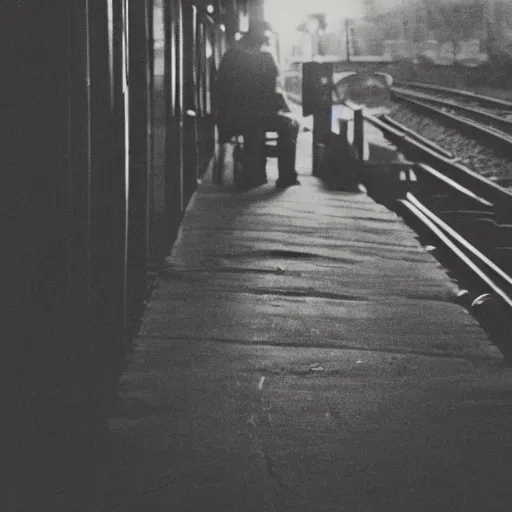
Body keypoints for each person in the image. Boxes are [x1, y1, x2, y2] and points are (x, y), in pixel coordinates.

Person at [214, 21, 300, 188]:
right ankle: (286, 176)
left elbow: (221, 88)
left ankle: (256, 172)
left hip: (231, 116)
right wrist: (284, 109)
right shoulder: (265, 58)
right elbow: (273, 90)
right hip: (251, 116)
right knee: (289, 125)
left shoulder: (230, 55)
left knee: (254, 126)